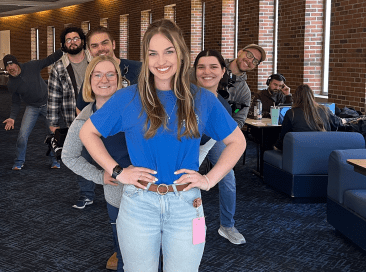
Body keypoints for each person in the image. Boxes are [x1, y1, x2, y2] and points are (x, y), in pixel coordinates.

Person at [79, 19, 245, 271]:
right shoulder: (128, 97)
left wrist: (209, 180)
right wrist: (118, 171)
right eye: (153, 53)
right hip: (138, 203)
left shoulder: (202, 99)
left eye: (169, 51)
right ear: (146, 58)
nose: (161, 60)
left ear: (181, 53)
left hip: (188, 205)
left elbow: (237, 141)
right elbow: (87, 132)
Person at [62, 55, 127, 271]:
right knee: (124, 253)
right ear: (89, 81)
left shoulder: (135, 109)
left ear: (119, 79)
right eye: (97, 75)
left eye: (110, 74)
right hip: (117, 192)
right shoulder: (84, 119)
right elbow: (69, 156)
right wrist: (99, 176)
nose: (104, 79)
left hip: (149, 190)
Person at [193, 49, 246, 245]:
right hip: (187, 146)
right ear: (195, 71)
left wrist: (208, 177)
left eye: (214, 67)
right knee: (189, 189)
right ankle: (195, 239)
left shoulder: (223, 105)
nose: (207, 72)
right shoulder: (186, 96)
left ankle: (227, 225)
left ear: (223, 71)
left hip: (209, 142)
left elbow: (234, 140)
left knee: (227, 177)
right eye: (201, 67)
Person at [47, 26, 96, 210]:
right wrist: (53, 126)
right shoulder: (59, 67)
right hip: (76, 121)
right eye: (68, 40)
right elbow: (53, 96)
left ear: (82, 41)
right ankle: (87, 194)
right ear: (64, 45)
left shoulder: (96, 61)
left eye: (76, 38)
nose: (72, 42)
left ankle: (114, 191)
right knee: (81, 157)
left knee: (108, 155)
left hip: (102, 118)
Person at [2, 49, 63, 170]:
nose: (10, 68)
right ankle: (19, 161)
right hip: (32, 107)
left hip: (48, 104)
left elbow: (49, 60)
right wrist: (12, 117)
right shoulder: (11, 84)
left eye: (11, 64)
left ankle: (55, 160)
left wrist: (63, 50)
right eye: (7, 66)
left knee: (53, 133)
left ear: (17, 63)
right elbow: (16, 102)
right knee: (22, 136)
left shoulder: (32, 66)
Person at [75, 26, 141, 114]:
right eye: (94, 46)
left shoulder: (139, 68)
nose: (100, 48)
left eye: (104, 43)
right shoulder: (92, 75)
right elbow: (80, 109)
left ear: (113, 44)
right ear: (90, 51)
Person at [274, 84, 344, 150]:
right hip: (322, 150)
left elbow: (283, 137)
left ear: (296, 97)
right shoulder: (324, 110)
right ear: (312, 96)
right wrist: (345, 120)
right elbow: (338, 122)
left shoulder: (291, 113)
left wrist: (276, 147)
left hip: (299, 151)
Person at [225, 44, 267, 128]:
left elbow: (239, 119)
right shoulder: (213, 68)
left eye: (255, 61)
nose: (250, 61)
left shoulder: (244, 92)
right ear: (240, 52)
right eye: (249, 55)